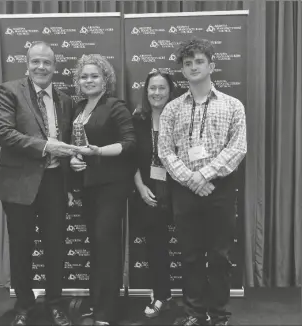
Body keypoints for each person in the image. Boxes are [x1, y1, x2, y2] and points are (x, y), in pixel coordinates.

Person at [158, 37, 247, 326]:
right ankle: (195, 313)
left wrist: (205, 175)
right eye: (187, 63)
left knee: (220, 256)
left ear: (211, 65)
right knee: (190, 256)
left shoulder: (233, 105)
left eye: (199, 61)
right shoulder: (172, 109)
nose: (193, 67)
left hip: (220, 189)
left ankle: (219, 314)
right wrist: (191, 179)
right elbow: (165, 151)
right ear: (182, 71)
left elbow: (238, 148)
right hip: (184, 190)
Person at [0, 42, 77, 326]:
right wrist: (47, 146)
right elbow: (4, 133)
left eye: (47, 63)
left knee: (56, 248)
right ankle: (24, 306)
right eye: (36, 62)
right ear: (26, 64)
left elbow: (68, 146)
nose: (41, 67)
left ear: (55, 67)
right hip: (19, 184)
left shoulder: (65, 100)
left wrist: (67, 185)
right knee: (21, 248)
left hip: (55, 183)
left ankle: (56, 303)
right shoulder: (9, 91)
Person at [69, 54, 136, 325]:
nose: (89, 80)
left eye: (94, 76)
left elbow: (129, 143)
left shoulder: (115, 106)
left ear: (105, 79)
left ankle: (106, 312)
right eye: (84, 76)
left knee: (107, 248)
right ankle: (96, 304)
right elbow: (75, 145)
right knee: (96, 248)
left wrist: (98, 152)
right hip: (88, 188)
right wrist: (74, 158)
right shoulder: (78, 109)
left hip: (112, 187)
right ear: (78, 81)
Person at [132, 70, 176, 318]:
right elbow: (130, 159)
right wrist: (140, 187)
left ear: (170, 92)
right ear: (146, 91)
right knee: (157, 246)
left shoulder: (180, 117)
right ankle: (160, 294)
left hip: (179, 190)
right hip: (148, 190)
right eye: (152, 88)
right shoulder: (137, 120)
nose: (156, 93)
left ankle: (197, 303)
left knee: (191, 247)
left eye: (161, 88)